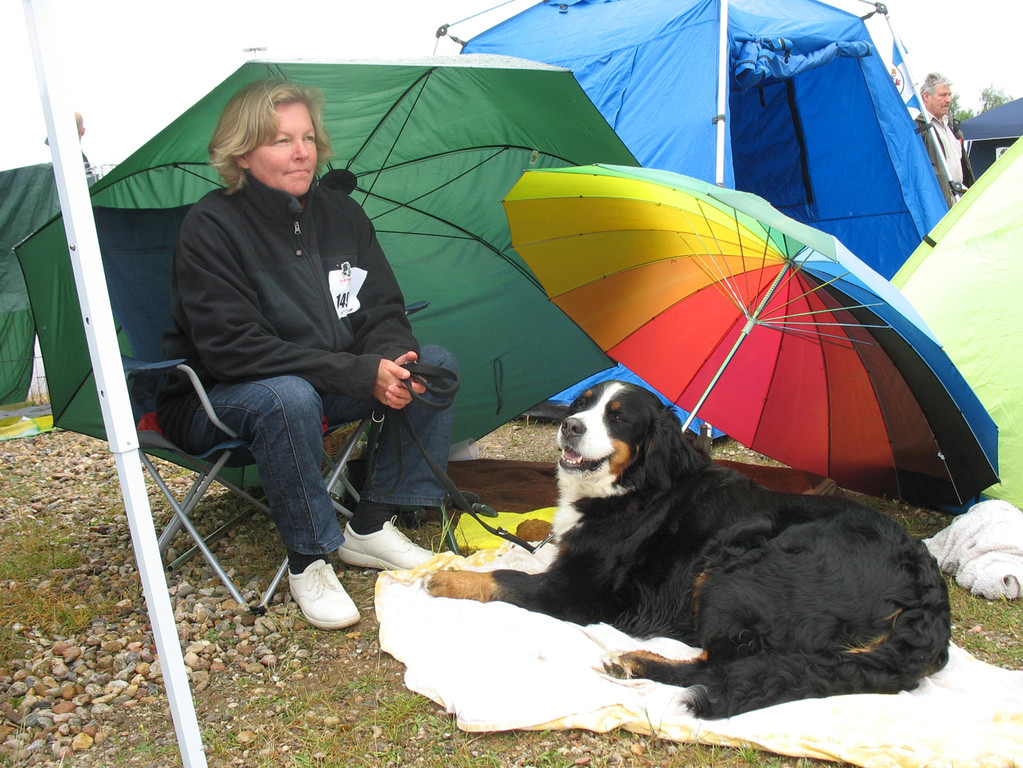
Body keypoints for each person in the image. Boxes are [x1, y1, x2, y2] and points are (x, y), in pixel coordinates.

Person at [156, 79, 458, 630]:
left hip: (327, 381)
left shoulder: (341, 214)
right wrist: (357, 371)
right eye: (281, 140)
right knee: (287, 396)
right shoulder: (213, 226)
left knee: (432, 363)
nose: (302, 152)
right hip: (218, 394)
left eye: (308, 138)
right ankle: (309, 557)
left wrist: (393, 360)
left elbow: (383, 309)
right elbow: (233, 349)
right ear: (242, 153)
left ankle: (370, 525)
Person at [915, 73, 975, 207]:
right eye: (942, 95)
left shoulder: (953, 127)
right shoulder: (919, 127)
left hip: (960, 195)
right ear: (926, 96)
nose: (948, 100)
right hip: (938, 201)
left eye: (949, 95)